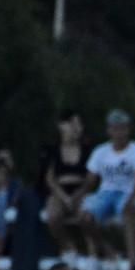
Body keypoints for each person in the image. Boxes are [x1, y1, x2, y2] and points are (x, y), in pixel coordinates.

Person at [74, 110, 135, 263]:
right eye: (114, 128)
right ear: (108, 130)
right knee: (85, 217)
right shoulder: (100, 152)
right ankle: (109, 251)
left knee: (129, 211)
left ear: (128, 129)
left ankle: (133, 261)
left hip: (128, 190)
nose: (118, 133)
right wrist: (78, 196)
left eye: (122, 128)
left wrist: (133, 197)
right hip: (106, 192)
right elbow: (90, 180)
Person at [40, 110, 93, 256]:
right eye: (72, 123)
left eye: (79, 124)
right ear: (61, 126)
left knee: (87, 215)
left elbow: (90, 177)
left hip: (81, 190)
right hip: (60, 191)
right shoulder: (52, 150)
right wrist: (63, 196)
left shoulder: (87, 149)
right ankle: (68, 246)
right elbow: (49, 178)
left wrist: (79, 193)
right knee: (53, 216)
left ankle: (92, 251)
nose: (76, 128)